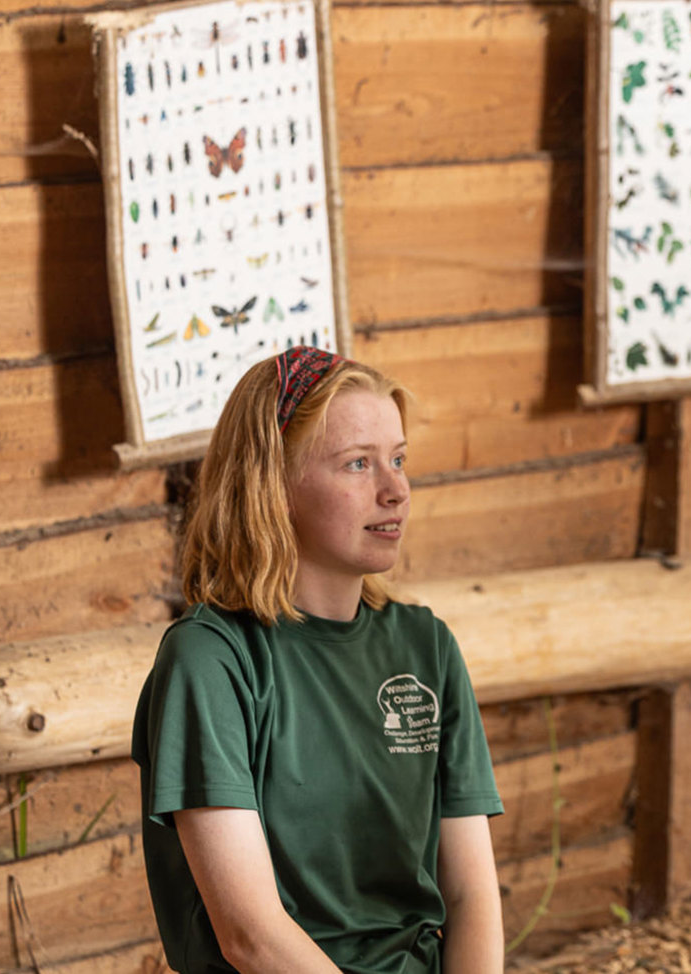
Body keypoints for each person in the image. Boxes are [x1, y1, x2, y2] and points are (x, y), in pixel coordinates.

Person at [132, 346, 506, 973]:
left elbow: (471, 895)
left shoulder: (426, 646)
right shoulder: (211, 659)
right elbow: (250, 936)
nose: (396, 491)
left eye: (399, 460)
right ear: (272, 487)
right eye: (358, 464)